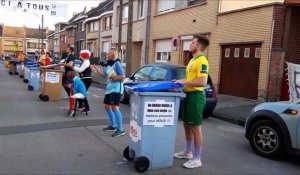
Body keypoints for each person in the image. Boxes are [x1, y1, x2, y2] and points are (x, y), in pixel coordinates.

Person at [173, 35, 210, 169]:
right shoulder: (193, 60)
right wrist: (179, 85)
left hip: (196, 96)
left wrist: (184, 81)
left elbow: (202, 82)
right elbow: (190, 79)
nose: (190, 44)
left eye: (193, 42)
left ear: (198, 46)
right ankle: (188, 152)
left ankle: (197, 158)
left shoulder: (202, 61)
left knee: (195, 127)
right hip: (188, 95)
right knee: (187, 125)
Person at [91, 49, 125, 138]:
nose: (107, 54)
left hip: (116, 89)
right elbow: (104, 75)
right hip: (109, 89)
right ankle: (113, 125)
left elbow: (122, 77)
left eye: (109, 53)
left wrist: (113, 78)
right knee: (107, 106)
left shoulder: (117, 63)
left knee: (115, 108)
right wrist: (97, 70)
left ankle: (120, 129)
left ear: (113, 55)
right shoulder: (109, 64)